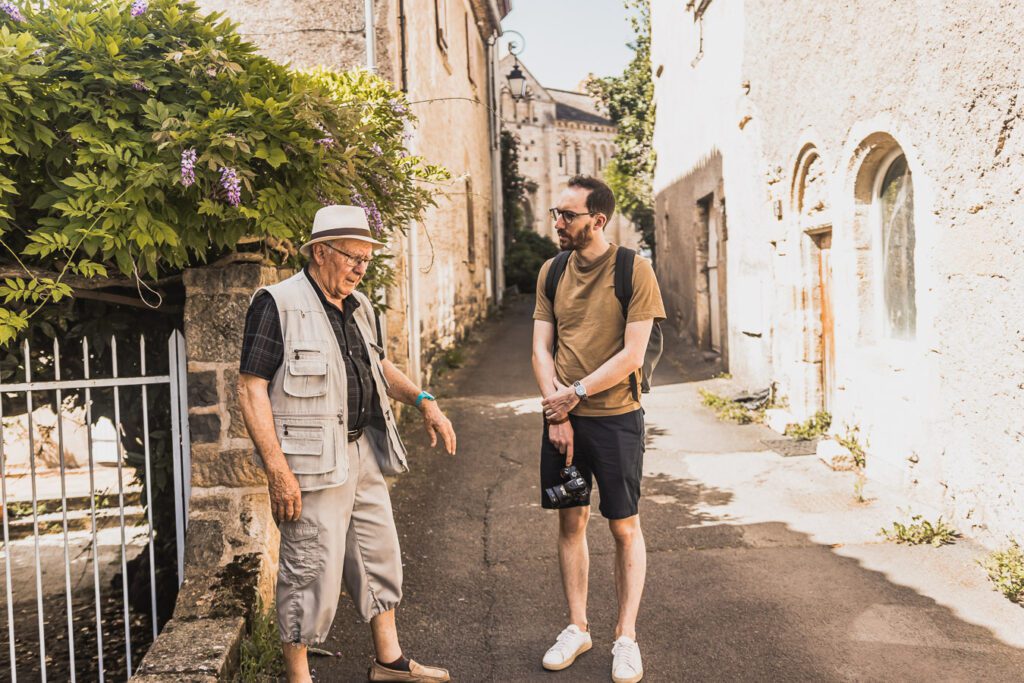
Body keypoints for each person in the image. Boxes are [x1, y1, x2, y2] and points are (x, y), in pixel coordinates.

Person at [237, 205, 457, 683]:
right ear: (320, 252)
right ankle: (299, 678)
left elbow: (381, 368)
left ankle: (390, 662)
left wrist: (426, 401)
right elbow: (251, 387)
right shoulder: (276, 303)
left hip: (362, 453)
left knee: (379, 554)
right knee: (308, 569)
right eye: (352, 257)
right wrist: (277, 470)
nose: (361, 267)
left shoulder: (361, 308)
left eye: (366, 259)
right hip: (310, 464)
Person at [531, 176, 665, 683]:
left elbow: (632, 354)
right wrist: (557, 411)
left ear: (598, 220)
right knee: (570, 522)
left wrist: (576, 394)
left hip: (615, 418)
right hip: (562, 420)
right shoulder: (552, 271)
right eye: (556, 213)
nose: (558, 223)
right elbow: (542, 348)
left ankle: (625, 637)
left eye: (568, 215)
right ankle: (577, 627)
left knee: (624, 526)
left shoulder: (635, 270)